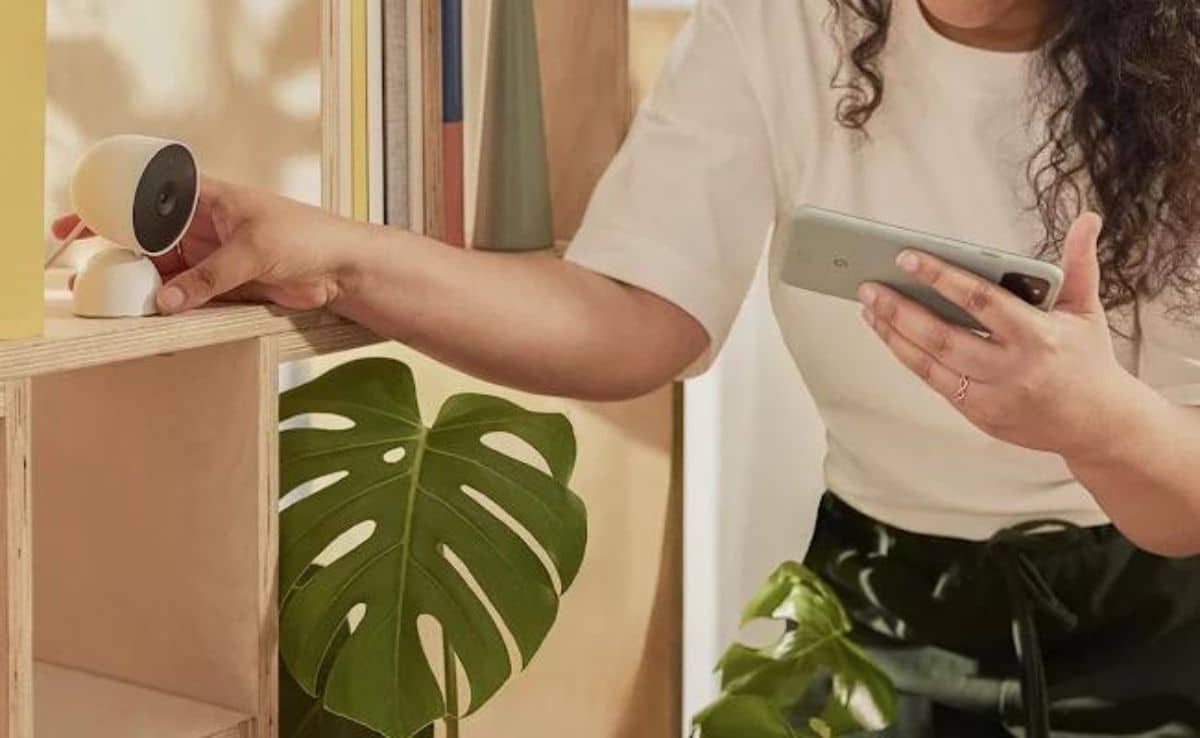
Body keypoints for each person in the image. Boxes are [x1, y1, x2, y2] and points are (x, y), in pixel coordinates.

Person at [55, 0, 1200, 735]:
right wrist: (343, 256)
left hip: (1161, 623)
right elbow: (633, 317)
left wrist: (1097, 422)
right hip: (871, 613)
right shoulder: (783, 28)